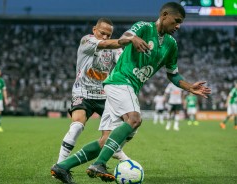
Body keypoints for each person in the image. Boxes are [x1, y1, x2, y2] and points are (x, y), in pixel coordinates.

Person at [52, 2, 211, 183]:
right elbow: (128, 35)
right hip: (120, 81)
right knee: (134, 120)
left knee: (106, 141)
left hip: (126, 87)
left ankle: (62, 167)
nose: (178, 26)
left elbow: (172, 74)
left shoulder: (171, 45)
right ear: (165, 15)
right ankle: (99, 164)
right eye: (176, 21)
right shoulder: (144, 27)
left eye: (180, 23)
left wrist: (188, 87)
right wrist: (131, 39)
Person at [51, 18, 144, 184]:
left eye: (109, 35)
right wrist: (129, 39)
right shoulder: (87, 41)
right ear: (94, 30)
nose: (105, 37)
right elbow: (108, 45)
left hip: (103, 96)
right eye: (102, 33)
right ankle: (59, 165)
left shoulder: (113, 49)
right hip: (83, 92)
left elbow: (123, 59)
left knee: (129, 126)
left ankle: (115, 151)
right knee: (77, 126)